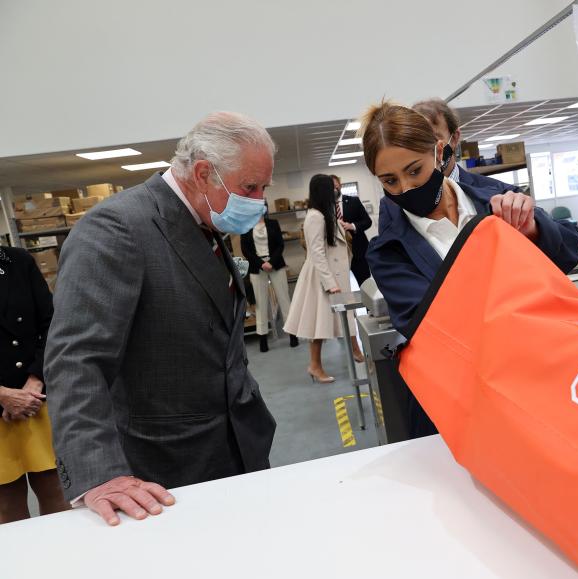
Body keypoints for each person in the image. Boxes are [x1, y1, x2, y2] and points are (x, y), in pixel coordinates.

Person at [45, 112, 278, 526]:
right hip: (167, 467)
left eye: (263, 187)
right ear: (204, 173)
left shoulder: (203, 224)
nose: (258, 201)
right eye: (249, 187)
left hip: (238, 446)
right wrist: (101, 473)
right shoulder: (117, 229)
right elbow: (76, 360)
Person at [362, 101, 578, 437]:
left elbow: (568, 252)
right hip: (461, 408)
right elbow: (441, 329)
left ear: (439, 151)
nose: (405, 188)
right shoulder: (389, 253)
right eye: (389, 180)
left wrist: (531, 230)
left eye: (414, 170)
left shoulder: (495, 198)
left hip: (539, 385)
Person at [375, 98, 520, 235]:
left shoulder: (500, 193)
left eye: (434, 137)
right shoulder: (391, 205)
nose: (428, 146)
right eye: (419, 140)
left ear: (455, 138)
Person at [0, 248, 70, 523]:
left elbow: (52, 322)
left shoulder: (18, 261)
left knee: (57, 492)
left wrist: (36, 378)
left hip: (35, 399)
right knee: (7, 506)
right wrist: (3, 395)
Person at [285, 174, 364, 383]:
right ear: (324, 191)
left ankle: (355, 352)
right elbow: (317, 253)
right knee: (318, 323)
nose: (336, 191)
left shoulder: (324, 213)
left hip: (334, 274)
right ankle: (315, 366)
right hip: (322, 277)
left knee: (344, 316)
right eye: (332, 188)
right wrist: (330, 283)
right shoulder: (315, 217)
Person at [241, 205, 297, 352]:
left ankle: (292, 334)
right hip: (256, 267)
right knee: (260, 303)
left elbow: (280, 244)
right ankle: (263, 338)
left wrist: (271, 262)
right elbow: (245, 250)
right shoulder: (245, 226)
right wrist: (261, 264)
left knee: (284, 298)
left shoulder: (273, 223)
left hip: (276, 265)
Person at [330, 175, 373, 285]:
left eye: (336, 186)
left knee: (365, 283)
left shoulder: (353, 201)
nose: (334, 189)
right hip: (337, 254)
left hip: (358, 250)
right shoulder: (326, 207)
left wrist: (352, 226)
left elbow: (367, 221)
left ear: (340, 185)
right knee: (342, 286)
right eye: (331, 187)